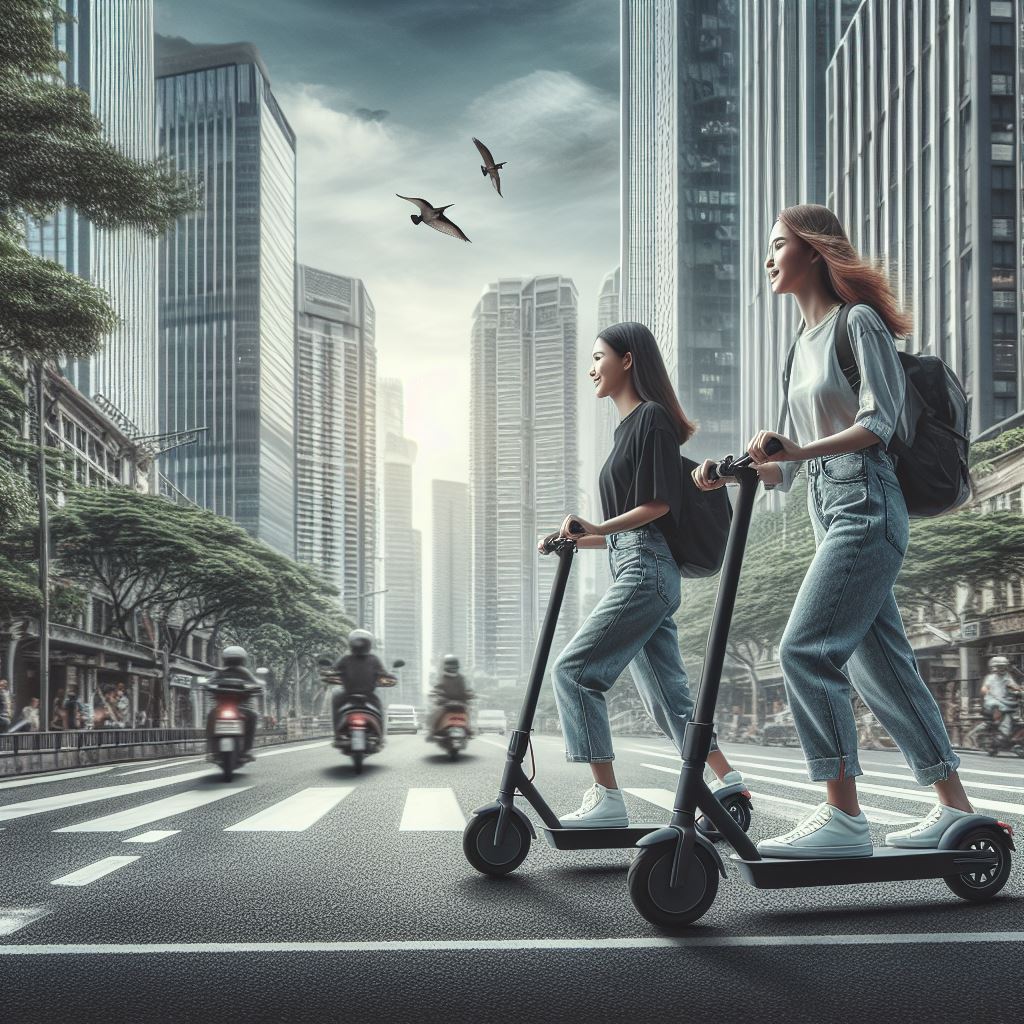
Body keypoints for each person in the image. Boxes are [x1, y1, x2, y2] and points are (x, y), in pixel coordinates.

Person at [695, 202, 974, 858]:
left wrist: (795, 451)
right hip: (827, 511)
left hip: (868, 506)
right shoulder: (798, 347)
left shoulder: (859, 323)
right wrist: (734, 469)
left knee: (804, 651)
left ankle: (843, 818)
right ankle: (956, 811)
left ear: (814, 251)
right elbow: (783, 473)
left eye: (777, 246)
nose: (768, 259)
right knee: (886, 672)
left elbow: (880, 424)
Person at [542, 320, 744, 829]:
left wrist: (598, 525)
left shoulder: (651, 418)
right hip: (633, 565)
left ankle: (607, 798)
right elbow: (618, 531)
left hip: (646, 571)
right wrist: (576, 538)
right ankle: (727, 784)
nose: (592, 369)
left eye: (597, 357)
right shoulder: (624, 429)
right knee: (667, 700)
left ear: (627, 359)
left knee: (573, 672)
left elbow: (657, 506)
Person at [329, 629, 396, 730]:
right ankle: (381, 735)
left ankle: (336, 731)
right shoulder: (374, 659)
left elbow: (334, 671)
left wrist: (328, 673)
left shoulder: (346, 659)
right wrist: (391, 676)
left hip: (347, 694)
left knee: (335, 697)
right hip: (369, 695)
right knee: (380, 708)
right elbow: (384, 673)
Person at [205, 647, 262, 761]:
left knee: (253, 716)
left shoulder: (241, 672)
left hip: (237, 707)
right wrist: (206, 685)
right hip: (225, 707)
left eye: (235, 660)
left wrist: (256, 687)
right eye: (232, 660)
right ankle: (212, 750)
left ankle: (246, 749)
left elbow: (255, 684)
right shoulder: (220, 672)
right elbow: (209, 682)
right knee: (211, 718)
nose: (233, 662)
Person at [427, 655, 475, 738]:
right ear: (445, 666)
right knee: (437, 712)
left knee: (468, 711)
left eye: (454, 665)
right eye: (450, 665)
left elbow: (467, 689)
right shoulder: (442, 678)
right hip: (445, 702)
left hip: (460, 702)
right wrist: (436, 694)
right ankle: (433, 731)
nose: (452, 667)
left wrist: (470, 695)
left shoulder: (461, 678)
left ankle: (468, 729)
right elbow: (437, 688)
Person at [981, 656, 1021, 738]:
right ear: (994, 667)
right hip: (993, 699)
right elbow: (985, 687)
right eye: (1000, 666)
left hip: (1004, 699)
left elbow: (1013, 685)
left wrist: (1019, 688)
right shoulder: (991, 677)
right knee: (1000, 709)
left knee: (1013, 708)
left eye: (1003, 666)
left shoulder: (1007, 676)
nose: (1002, 668)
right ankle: (1002, 731)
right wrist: (985, 690)